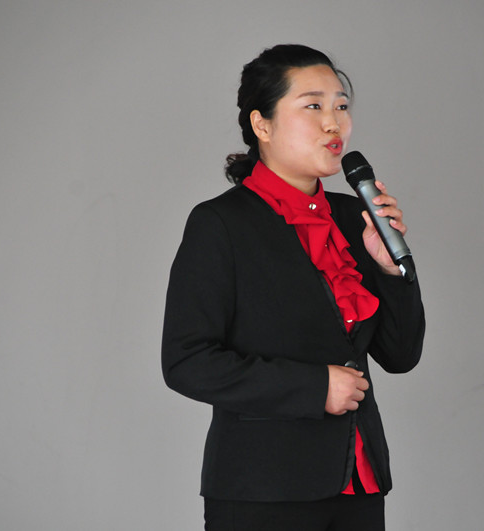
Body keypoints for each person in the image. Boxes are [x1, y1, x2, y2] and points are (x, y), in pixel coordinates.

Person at [162, 44, 425, 530]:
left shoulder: (355, 218)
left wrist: (391, 272)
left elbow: (401, 355)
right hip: (264, 489)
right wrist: (314, 387)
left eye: (341, 106)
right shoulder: (220, 224)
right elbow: (186, 362)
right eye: (313, 106)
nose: (333, 123)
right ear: (262, 125)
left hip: (359, 481)